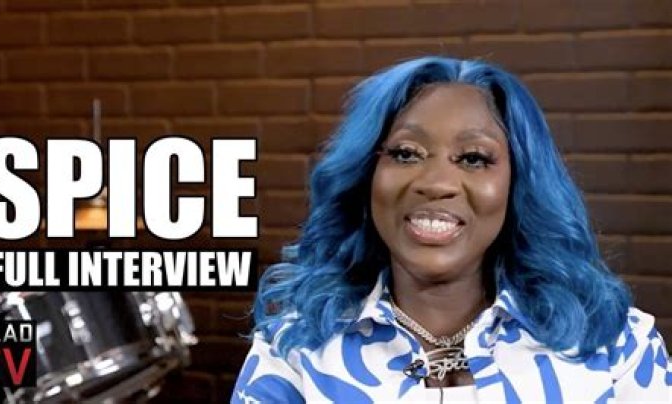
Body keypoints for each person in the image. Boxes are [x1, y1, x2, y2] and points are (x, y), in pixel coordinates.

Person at [232, 56, 671, 403]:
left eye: (474, 158)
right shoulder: (294, 346)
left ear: (518, 184)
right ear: (366, 174)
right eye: (406, 153)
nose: (436, 183)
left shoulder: (616, 344)